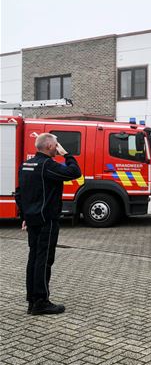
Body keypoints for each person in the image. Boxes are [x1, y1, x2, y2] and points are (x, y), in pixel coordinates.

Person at [15, 133, 81, 315]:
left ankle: (32, 300)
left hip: (32, 219)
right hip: (47, 220)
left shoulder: (26, 164)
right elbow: (75, 172)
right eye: (56, 144)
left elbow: (19, 193)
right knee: (44, 260)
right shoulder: (47, 165)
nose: (57, 147)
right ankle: (41, 302)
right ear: (50, 146)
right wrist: (67, 154)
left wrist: (25, 216)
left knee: (34, 258)